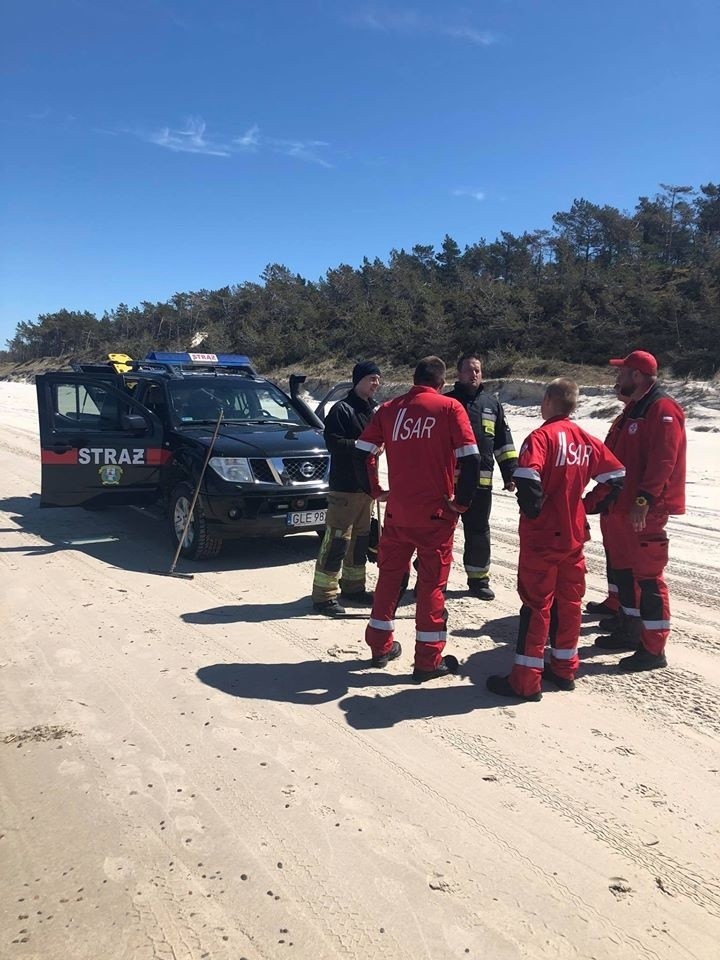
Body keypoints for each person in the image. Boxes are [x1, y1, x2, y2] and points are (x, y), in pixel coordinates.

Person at [487, 379, 625, 701]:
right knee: (570, 603)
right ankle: (564, 669)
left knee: (537, 606)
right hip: (574, 536)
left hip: (543, 538)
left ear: (548, 400)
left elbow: (526, 476)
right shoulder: (586, 440)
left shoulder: (540, 437)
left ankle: (525, 680)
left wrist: (535, 511)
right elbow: (617, 477)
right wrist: (585, 505)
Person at [353, 356, 480, 682]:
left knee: (389, 579)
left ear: (414, 377)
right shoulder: (450, 408)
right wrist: (462, 503)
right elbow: (471, 458)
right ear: (441, 381)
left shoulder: (389, 410)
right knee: (431, 587)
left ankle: (380, 647)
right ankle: (427, 661)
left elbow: (361, 452)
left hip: (398, 513)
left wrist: (375, 490)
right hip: (436, 516)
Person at [589, 350, 686, 671]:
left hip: (645, 510)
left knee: (648, 579)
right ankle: (629, 632)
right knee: (624, 571)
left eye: (622, 373)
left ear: (637, 376)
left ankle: (653, 649)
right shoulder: (635, 409)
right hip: (623, 507)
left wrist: (643, 501)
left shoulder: (662, 409)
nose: (617, 378)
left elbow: (663, 461)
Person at [445, 353, 518, 600]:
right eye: (469, 370)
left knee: (478, 532)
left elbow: (503, 443)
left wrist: (510, 473)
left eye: (478, 370)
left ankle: (478, 580)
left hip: (481, 485)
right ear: (458, 373)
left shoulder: (492, 404)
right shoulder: (446, 403)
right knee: (440, 532)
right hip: (449, 484)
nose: (474, 374)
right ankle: (430, 574)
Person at [311, 361, 381, 617]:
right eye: (371, 378)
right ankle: (324, 596)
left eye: (378, 379)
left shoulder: (373, 410)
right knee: (337, 542)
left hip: (365, 489)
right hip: (344, 488)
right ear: (358, 380)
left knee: (360, 542)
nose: (376, 383)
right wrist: (364, 446)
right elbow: (334, 443)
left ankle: (353, 587)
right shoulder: (342, 409)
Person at [584, 392, 632, 625]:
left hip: (626, 499)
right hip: (613, 498)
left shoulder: (644, 416)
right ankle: (615, 602)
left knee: (626, 559)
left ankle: (628, 613)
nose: (616, 380)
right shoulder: (625, 417)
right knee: (612, 553)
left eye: (622, 373)